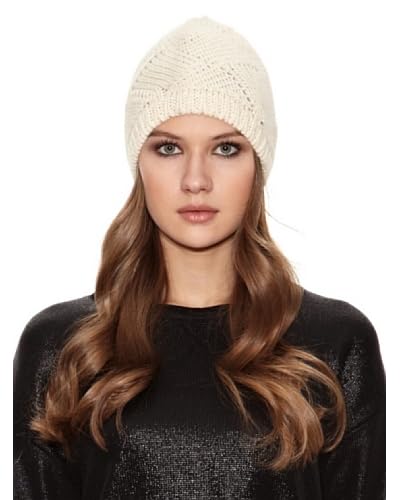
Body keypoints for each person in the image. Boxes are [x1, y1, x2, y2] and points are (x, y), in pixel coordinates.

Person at [14, 16, 385, 499]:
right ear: (139, 162)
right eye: (168, 148)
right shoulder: (64, 348)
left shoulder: (335, 345)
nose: (195, 180)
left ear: (258, 164)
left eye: (225, 148)